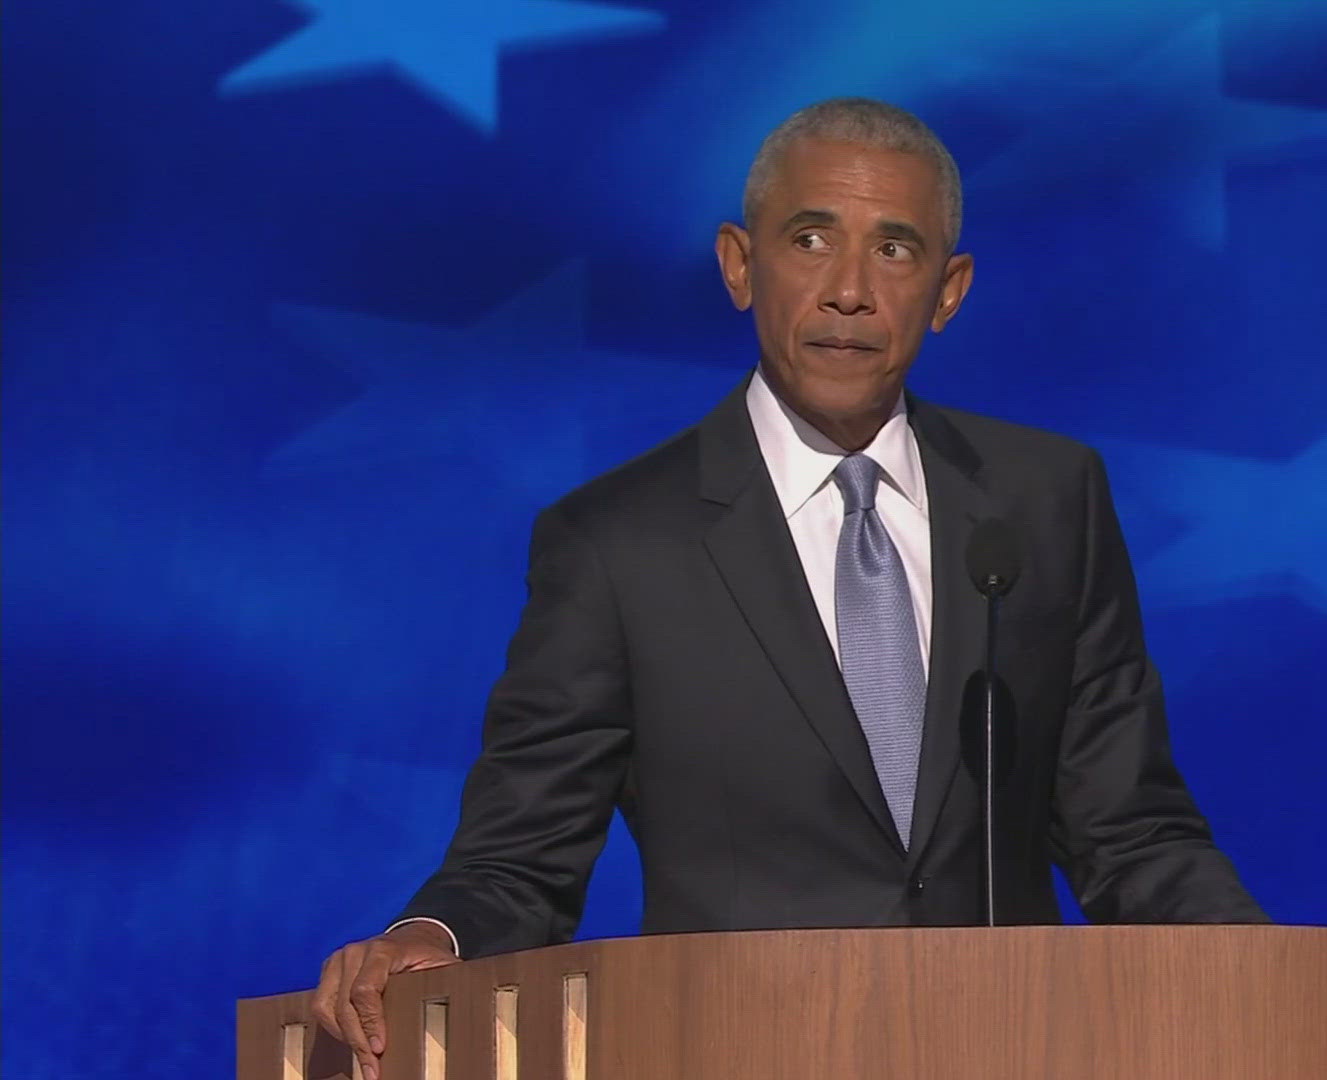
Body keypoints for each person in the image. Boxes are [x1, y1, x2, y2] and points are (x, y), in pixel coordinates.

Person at [311, 97, 1266, 1079]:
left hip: (1011, 1050)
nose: (849, 290)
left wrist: (1272, 978)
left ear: (949, 290)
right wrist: (432, 936)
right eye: (811, 238)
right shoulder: (616, 543)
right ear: (739, 263)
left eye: (896, 250)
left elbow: (1128, 827)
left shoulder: (1046, 500)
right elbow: (522, 859)